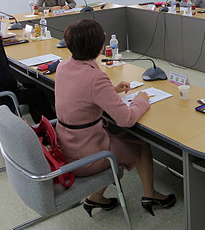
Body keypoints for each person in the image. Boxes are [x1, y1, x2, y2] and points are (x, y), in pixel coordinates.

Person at [54, 19, 176, 217]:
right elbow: (126, 119)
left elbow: (81, 97)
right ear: (99, 46)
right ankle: (151, 194)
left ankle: (96, 198)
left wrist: (111, 91)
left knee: (122, 138)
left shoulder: (63, 66)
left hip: (67, 146)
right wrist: (140, 100)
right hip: (88, 155)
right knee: (141, 145)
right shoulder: (95, 77)